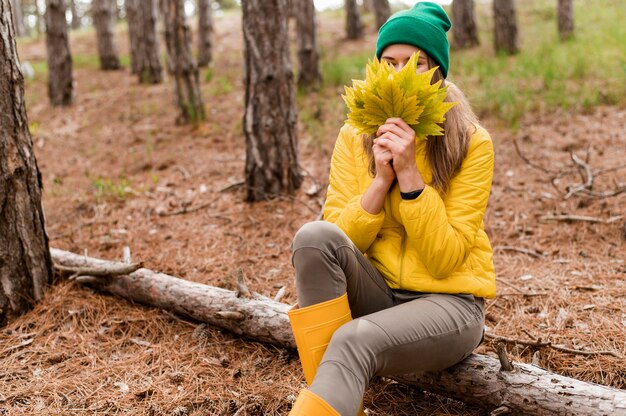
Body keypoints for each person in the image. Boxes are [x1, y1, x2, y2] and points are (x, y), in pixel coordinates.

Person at [287, 3, 496, 415]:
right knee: (313, 238)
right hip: (379, 293)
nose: (401, 74)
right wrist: (382, 181)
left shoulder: (472, 142)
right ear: (376, 67)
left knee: (352, 338)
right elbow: (339, 238)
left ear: (438, 72)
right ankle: (336, 395)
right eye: (390, 62)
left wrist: (411, 176)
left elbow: (445, 259)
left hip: (449, 305)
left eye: (417, 63)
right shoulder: (354, 135)